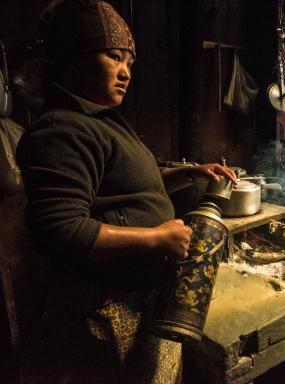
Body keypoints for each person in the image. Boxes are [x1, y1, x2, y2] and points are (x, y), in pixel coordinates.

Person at [15, 0, 236, 382]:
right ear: (74, 60)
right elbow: (60, 230)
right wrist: (155, 238)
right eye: (113, 58)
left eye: (130, 63)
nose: (125, 73)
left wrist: (187, 174)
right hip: (104, 310)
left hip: (141, 300)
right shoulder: (61, 130)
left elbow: (128, 187)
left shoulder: (104, 122)